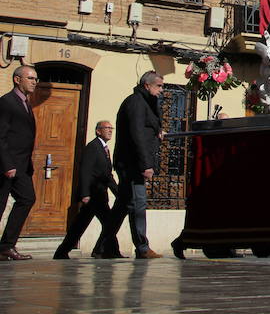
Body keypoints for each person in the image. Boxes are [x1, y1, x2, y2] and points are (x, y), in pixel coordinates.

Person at [96, 71, 165, 259]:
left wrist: (158, 130)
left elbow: (147, 129)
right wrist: (146, 164)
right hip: (132, 164)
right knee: (138, 204)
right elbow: (137, 135)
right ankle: (142, 247)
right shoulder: (136, 102)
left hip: (132, 163)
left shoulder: (146, 103)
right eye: (158, 86)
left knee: (122, 206)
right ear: (147, 85)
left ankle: (103, 246)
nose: (161, 90)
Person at [54, 121, 122, 259]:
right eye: (107, 128)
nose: (110, 130)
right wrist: (85, 194)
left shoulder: (104, 149)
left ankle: (63, 251)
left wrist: (118, 193)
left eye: (111, 128)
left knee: (83, 223)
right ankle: (104, 250)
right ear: (98, 131)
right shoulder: (93, 147)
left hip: (99, 194)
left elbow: (107, 176)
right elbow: (85, 171)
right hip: (92, 195)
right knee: (108, 223)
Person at [0, 65, 38, 261]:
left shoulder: (26, 104)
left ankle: (6, 246)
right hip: (7, 165)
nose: (34, 82)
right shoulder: (7, 102)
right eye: (30, 78)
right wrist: (7, 164)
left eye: (35, 79)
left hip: (22, 166)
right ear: (17, 79)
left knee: (27, 198)